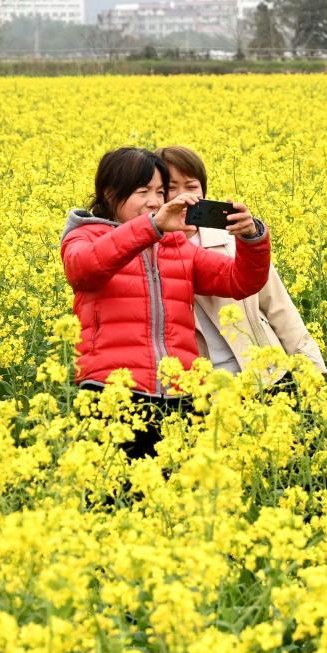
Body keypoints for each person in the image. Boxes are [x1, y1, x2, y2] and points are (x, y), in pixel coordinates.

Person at [61, 146, 270, 458]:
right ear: (110, 192)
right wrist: (152, 227)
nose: (154, 201)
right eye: (142, 191)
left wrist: (251, 237)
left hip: (180, 396)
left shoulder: (176, 246)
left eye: (160, 191)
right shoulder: (84, 238)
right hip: (112, 393)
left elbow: (240, 282)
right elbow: (86, 268)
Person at [159, 145, 326, 388]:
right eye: (171, 188)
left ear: (204, 192)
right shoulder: (149, 253)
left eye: (191, 186)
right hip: (202, 393)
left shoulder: (235, 242)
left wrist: (310, 367)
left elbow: (278, 306)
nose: (182, 196)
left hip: (265, 376)